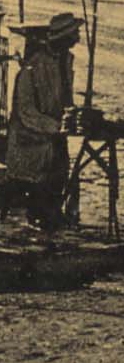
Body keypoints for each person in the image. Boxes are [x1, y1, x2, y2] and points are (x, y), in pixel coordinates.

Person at [3, 12, 81, 239]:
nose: (77, 38)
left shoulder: (65, 61)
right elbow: (26, 112)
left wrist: (73, 115)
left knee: (57, 179)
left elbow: (63, 98)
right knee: (22, 184)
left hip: (54, 137)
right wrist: (54, 126)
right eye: (74, 34)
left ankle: (51, 220)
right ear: (63, 37)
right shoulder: (32, 69)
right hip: (30, 140)